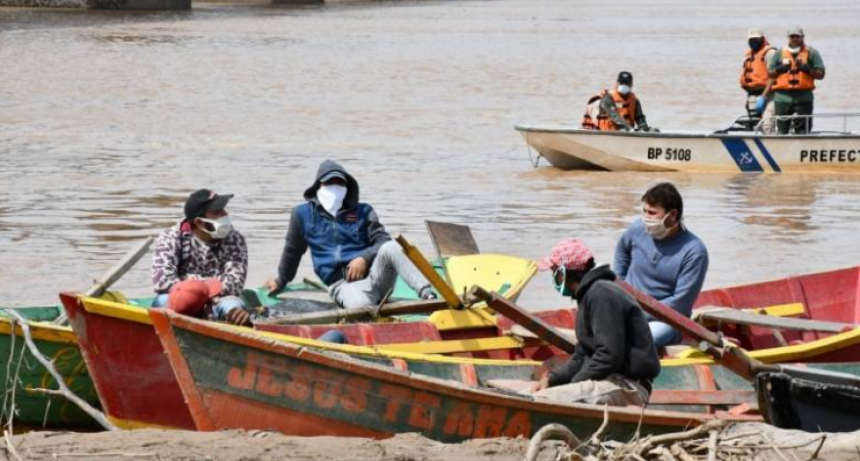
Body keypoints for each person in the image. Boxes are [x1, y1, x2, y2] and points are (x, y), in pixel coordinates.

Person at [264, 160, 436, 310]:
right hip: (342, 284)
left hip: (375, 276)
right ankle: (373, 311)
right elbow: (292, 252)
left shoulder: (363, 211)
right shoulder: (301, 214)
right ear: (318, 186)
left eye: (340, 183)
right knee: (362, 307)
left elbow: (382, 240)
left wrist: (364, 258)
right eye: (329, 182)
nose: (335, 187)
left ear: (347, 188)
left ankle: (428, 296)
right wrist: (281, 280)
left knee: (392, 246)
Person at [530, 239, 660, 407]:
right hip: (607, 380)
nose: (554, 277)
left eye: (555, 271)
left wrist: (575, 384)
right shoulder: (590, 294)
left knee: (542, 401)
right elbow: (581, 356)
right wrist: (552, 380)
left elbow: (609, 356)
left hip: (626, 386)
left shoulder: (602, 294)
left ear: (563, 273)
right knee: (531, 394)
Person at [613, 183, 709, 348]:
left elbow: (680, 303)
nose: (646, 218)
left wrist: (637, 313)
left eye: (652, 213)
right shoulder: (637, 228)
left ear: (672, 215)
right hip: (627, 307)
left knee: (637, 343)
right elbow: (622, 249)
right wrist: (619, 282)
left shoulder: (694, 252)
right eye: (644, 212)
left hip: (666, 321)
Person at [151, 189, 251, 326]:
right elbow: (162, 282)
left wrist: (191, 285)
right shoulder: (170, 238)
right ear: (199, 222)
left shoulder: (235, 239)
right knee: (162, 301)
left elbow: (234, 284)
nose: (225, 215)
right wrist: (198, 293)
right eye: (217, 212)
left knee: (234, 306)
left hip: (218, 302)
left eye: (223, 209)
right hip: (180, 300)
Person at [768, 26, 825, 134]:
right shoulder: (779, 53)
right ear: (788, 38)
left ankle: (801, 147)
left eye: (797, 36)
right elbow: (769, 74)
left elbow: (821, 75)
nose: (794, 39)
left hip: (804, 98)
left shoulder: (812, 53)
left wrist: (807, 69)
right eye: (792, 36)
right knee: (782, 130)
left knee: (803, 131)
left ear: (802, 37)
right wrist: (779, 69)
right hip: (782, 98)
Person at [581, 71, 651, 132]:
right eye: (622, 82)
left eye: (626, 83)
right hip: (609, 133)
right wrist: (629, 129)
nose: (624, 85)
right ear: (617, 83)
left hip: (627, 132)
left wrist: (643, 127)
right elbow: (615, 116)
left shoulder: (634, 100)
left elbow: (640, 117)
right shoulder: (608, 97)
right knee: (623, 129)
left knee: (651, 129)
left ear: (631, 84)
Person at [740, 28, 777, 133]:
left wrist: (763, 96)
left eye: (756, 39)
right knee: (755, 125)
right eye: (751, 40)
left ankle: (772, 145)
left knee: (767, 124)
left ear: (762, 39)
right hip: (753, 95)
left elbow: (773, 76)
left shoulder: (770, 53)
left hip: (769, 94)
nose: (753, 42)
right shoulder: (749, 56)